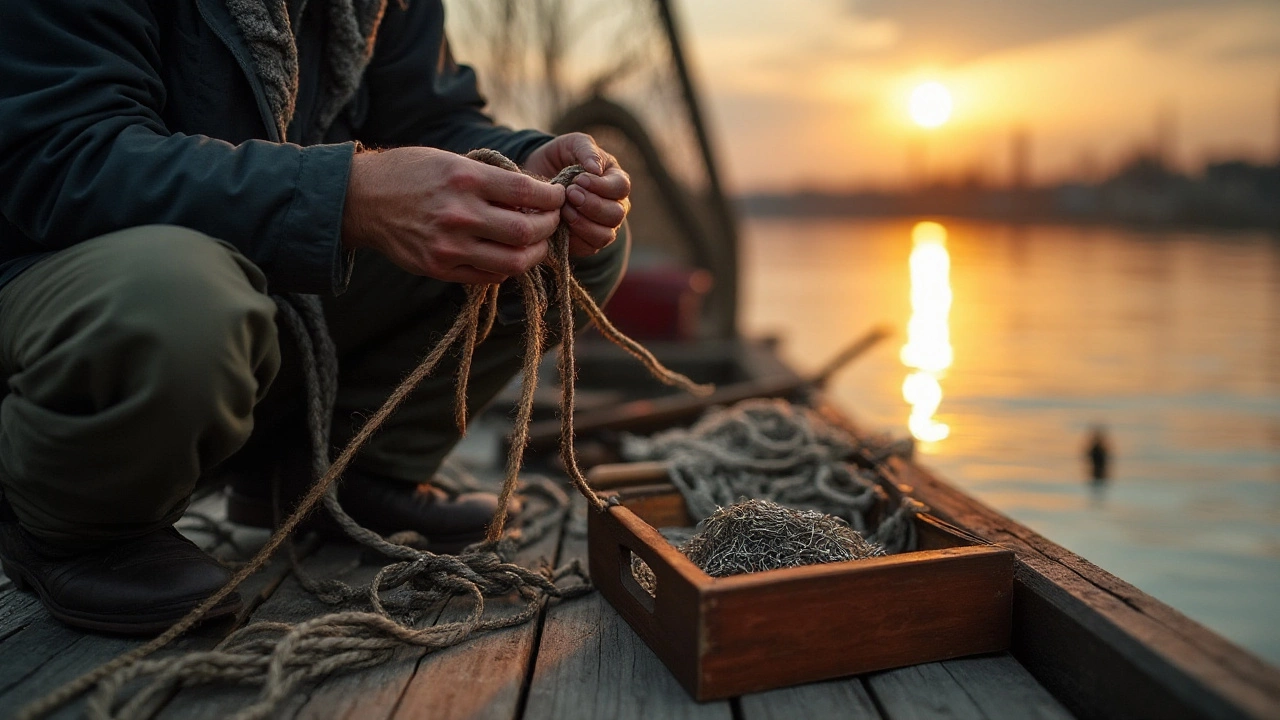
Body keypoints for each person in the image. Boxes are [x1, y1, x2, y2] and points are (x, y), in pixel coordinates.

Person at [0, 0, 632, 634]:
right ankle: (88, 521)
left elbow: (430, 118)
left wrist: (528, 165)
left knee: (549, 253)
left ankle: (334, 472)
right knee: (176, 300)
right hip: (73, 293)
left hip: (260, 287)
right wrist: (349, 194)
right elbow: (62, 153)